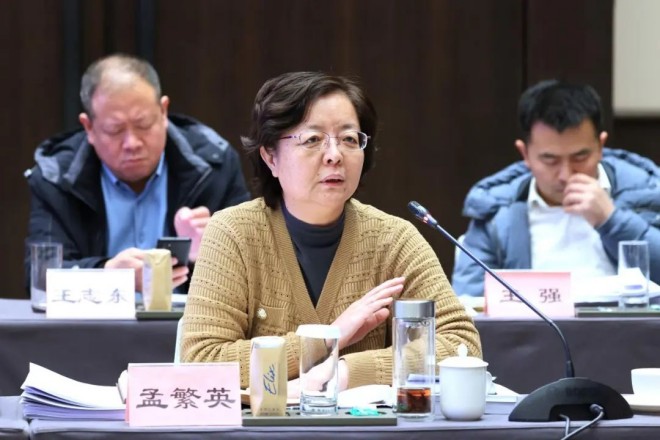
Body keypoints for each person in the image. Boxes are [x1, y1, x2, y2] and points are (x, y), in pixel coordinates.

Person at [181, 71, 481, 391]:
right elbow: (202, 361)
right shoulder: (232, 233)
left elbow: (462, 345)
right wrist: (326, 338)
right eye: (312, 139)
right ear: (270, 157)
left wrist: (344, 372)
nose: (335, 155)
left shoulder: (394, 239)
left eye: (349, 139)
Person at [25, 54, 250, 293]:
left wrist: (210, 254)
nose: (132, 143)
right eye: (115, 129)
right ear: (89, 127)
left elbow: (257, 276)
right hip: (96, 317)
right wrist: (107, 276)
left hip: (190, 317)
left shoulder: (214, 166)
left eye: (143, 124)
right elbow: (40, 280)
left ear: (163, 112)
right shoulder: (56, 178)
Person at [452, 79, 660, 296]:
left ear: (601, 146)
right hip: (533, 320)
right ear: (525, 154)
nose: (565, 175)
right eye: (550, 160)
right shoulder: (495, 211)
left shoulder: (647, 193)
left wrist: (611, 220)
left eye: (580, 157)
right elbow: (468, 301)